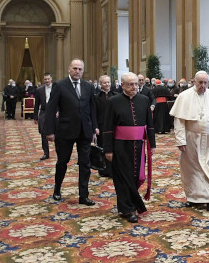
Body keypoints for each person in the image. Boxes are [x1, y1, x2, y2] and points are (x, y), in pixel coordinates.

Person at [43, 59, 98, 206]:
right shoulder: (59, 86)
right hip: (65, 131)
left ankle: (84, 195)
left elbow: (92, 109)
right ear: (69, 69)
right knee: (62, 162)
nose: (77, 71)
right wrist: (49, 131)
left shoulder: (88, 86)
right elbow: (50, 109)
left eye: (80, 69)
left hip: (85, 131)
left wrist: (94, 128)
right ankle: (57, 190)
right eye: (75, 68)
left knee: (85, 164)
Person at [102, 72, 155, 222]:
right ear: (122, 86)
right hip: (120, 145)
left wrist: (152, 144)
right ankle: (128, 209)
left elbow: (149, 125)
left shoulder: (144, 100)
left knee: (136, 176)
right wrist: (108, 149)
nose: (134, 87)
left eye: (136, 84)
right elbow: (107, 127)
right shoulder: (113, 101)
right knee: (122, 178)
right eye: (130, 84)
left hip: (139, 144)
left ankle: (129, 205)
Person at [171, 71, 209, 211]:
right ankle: (194, 198)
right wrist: (180, 140)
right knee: (192, 168)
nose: (202, 85)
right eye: (200, 82)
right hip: (192, 137)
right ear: (194, 82)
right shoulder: (184, 96)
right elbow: (179, 121)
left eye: (205, 83)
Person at [33, 73, 55, 160]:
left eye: (48, 79)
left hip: (54, 112)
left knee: (57, 132)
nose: (47, 81)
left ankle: (59, 152)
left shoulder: (56, 88)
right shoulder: (39, 90)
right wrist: (35, 117)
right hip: (43, 112)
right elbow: (36, 104)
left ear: (51, 79)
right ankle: (46, 153)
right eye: (45, 79)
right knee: (43, 133)